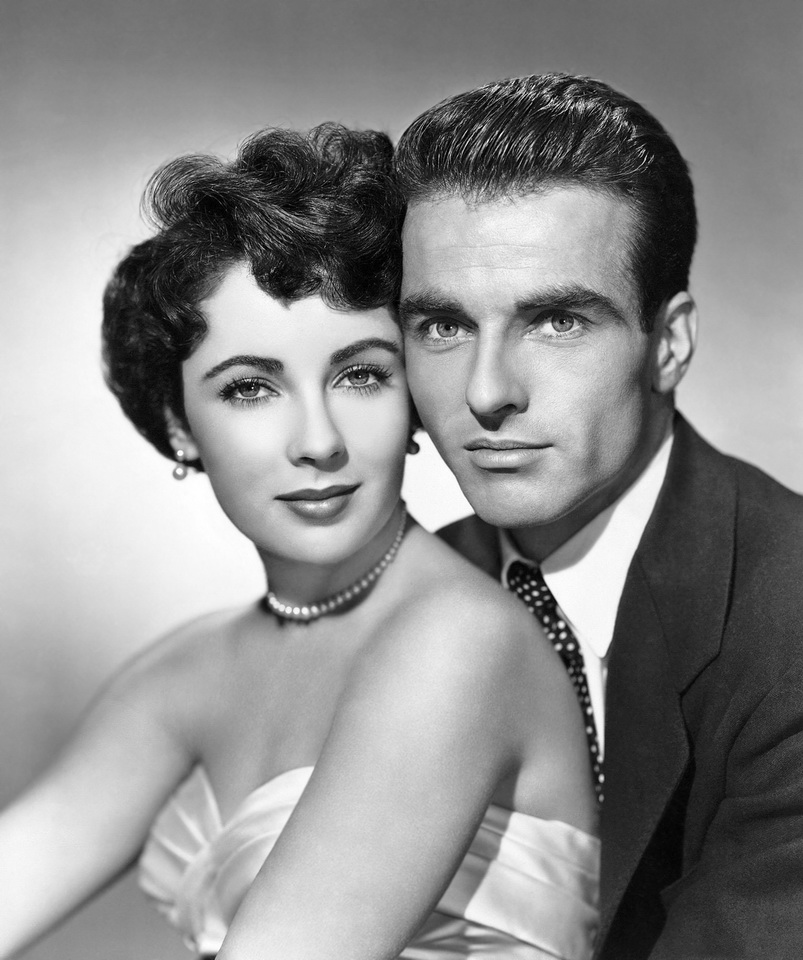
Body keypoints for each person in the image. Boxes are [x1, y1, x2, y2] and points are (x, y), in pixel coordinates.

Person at [0, 124, 600, 960]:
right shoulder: (185, 675)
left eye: (361, 375)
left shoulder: (459, 645)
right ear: (179, 423)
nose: (318, 442)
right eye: (250, 388)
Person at [394, 73, 803, 959]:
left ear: (669, 344)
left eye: (556, 321)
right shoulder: (395, 601)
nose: (487, 392)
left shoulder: (788, 620)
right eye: (442, 326)